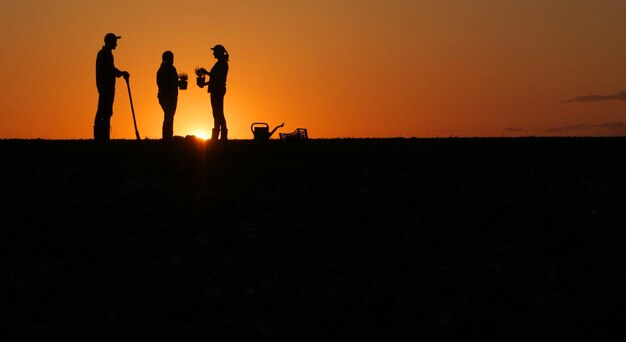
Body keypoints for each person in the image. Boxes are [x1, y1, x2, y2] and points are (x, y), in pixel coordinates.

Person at [94, 33, 130, 141]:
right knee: (104, 112)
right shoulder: (105, 54)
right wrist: (121, 73)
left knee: (105, 111)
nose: (116, 44)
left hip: (106, 87)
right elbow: (110, 70)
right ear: (109, 42)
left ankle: (102, 137)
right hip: (106, 88)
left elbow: (111, 69)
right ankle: (102, 138)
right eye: (115, 41)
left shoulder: (105, 53)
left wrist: (120, 73)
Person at [198, 44, 229, 140]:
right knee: (216, 112)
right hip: (216, 89)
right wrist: (205, 84)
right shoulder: (220, 63)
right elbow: (215, 79)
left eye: (214, 52)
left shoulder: (222, 63)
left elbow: (217, 78)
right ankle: (218, 135)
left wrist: (206, 72)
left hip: (218, 90)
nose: (213, 54)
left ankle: (222, 135)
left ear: (219, 53)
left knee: (218, 112)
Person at [156, 51, 179, 140]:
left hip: (172, 96)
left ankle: (168, 136)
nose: (173, 60)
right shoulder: (162, 70)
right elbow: (161, 84)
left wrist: (177, 83)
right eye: (171, 58)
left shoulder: (172, 69)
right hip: (165, 96)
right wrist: (175, 83)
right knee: (169, 115)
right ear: (166, 59)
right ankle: (167, 136)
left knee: (169, 115)